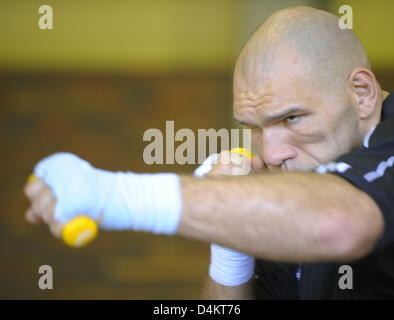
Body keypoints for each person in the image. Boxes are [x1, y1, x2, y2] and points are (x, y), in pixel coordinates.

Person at [24, 6, 394, 299]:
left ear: (361, 93)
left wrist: (112, 194)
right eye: (252, 127)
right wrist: (230, 250)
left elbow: (339, 223)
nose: (271, 152)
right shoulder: (300, 191)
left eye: (292, 118)